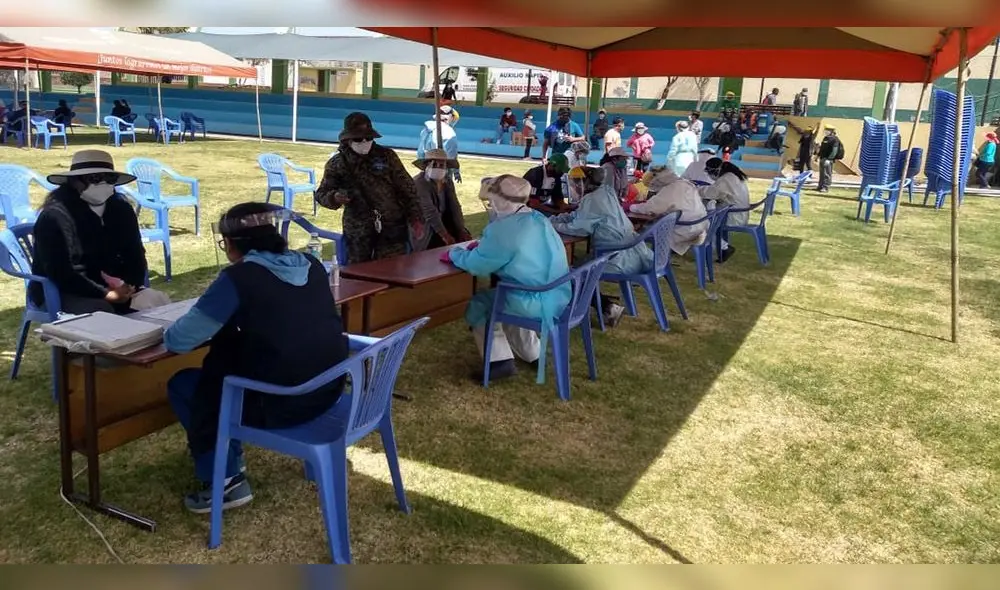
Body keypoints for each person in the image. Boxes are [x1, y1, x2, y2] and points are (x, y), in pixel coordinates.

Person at [164, 202, 349, 513]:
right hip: (327, 390)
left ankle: (226, 481)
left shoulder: (239, 278)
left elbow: (180, 340)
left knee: (187, 384)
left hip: (282, 403)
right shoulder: (312, 264)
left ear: (233, 244)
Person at [447, 175, 571, 383]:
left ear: (501, 201)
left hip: (532, 300)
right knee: (508, 297)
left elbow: (477, 265)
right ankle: (534, 354)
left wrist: (454, 253)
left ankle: (498, 361)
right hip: (557, 294)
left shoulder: (504, 229)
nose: (491, 205)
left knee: (481, 304)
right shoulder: (537, 218)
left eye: (492, 200)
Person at [30, 150, 169, 315]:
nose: (102, 184)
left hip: (117, 286)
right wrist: (105, 294)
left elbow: (135, 254)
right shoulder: (55, 217)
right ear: (74, 181)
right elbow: (60, 271)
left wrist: (130, 285)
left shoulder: (122, 210)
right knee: (102, 312)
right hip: (65, 290)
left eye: (109, 178)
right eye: (94, 178)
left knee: (159, 301)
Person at [315, 112, 424, 264]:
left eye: (369, 138)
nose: (365, 141)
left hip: (392, 226)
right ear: (347, 140)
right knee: (359, 275)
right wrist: (334, 197)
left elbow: (407, 187)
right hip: (358, 231)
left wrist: (416, 217)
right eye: (358, 139)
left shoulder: (387, 156)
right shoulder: (338, 163)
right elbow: (321, 194)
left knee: (393, 271)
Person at [551, 166, 648, 327]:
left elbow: (580, 228)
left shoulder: (592, 199)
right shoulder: (605, 192)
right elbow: (581, 215)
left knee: (569, 273)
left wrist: (552, 225)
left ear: (585, 182)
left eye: (576, 182)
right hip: (631, 252)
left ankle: (604, 307)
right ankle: (606, 307)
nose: (574, 186)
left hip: (616, 257)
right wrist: (559, 219)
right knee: (574, 270)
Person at [627, 166, 709, 256]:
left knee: (640, 230)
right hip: (699, 225)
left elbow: (650, 208)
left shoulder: (671, 189)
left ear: (657, 180)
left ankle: (649, 257)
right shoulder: (684, 183)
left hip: (685, 230)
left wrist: (631, 207)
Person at [410, 149, 471, 251]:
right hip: (425, 226)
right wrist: (445, 235)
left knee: (463, 240)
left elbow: (454, 205)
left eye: (442, 165)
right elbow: (429, 212)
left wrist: (461, 230)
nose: (438, 167)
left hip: (443, 222)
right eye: (434, 164)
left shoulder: (447, 181)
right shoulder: (419, 183)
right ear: (426, 166)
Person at [698, 158, 750, 263]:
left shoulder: (726, 179)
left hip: (733, 216)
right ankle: (721, 246)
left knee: (703, 222)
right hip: (736, 212)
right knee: (705, 216)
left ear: (715, 171)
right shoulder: (732, 176)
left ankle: (724, 247)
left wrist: (696, 189)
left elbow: (712, 193)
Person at [418, 106, 461, 183]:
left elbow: (420, 152)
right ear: (450, 117)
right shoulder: (449, 132)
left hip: (427, 167)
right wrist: (456, 171)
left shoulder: (425, 130)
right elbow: (451, 155)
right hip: (442, 168)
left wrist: (423, 167)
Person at [816, 125, 844, 193]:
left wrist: (829, 159)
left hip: (828, 159)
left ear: (832, 131)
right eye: (825, 129)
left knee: (827, 173)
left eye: (827, 130)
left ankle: (826, 187)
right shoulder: (825, 138)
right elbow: (822, 148)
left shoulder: (835, 139)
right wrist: (817, 156)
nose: (826, 131)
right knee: (822, 173)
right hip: (822, 158)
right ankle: (820, 186)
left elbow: (834, 150)